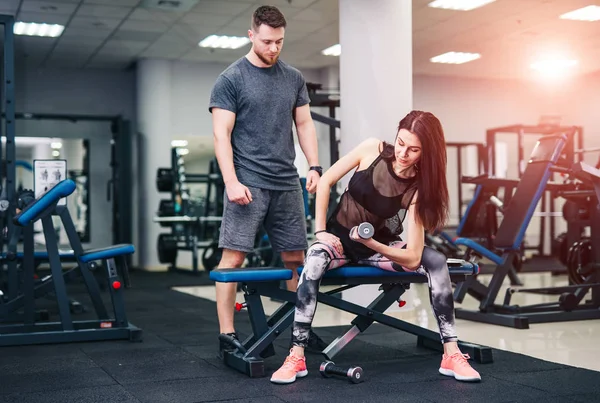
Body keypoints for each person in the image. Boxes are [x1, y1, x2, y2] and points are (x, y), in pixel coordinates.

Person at [270, 110, 482, 384]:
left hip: (376, 248)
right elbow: (325, 181)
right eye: (401, 142)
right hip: (338, 243)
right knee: (313, 259)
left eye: (413, 149)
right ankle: (296, 355)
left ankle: (451, 354)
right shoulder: (372, 149)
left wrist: (373, 244)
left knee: (437, 260)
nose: (403, 153)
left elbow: (413, 256)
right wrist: (320, 231)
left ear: (426, 153)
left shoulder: (417, 189)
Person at [208, 5, 326, 358]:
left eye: (279, 42)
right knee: (233, 258)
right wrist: (231, 181)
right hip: (247, 183)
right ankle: (227, 333)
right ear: (251, 35)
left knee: (296, 258)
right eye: (267, 41)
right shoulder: (231, 79)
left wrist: (315, 166)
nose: (274, 48)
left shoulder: (293, 77)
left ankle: (297, 330)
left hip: (287, 183)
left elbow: (304, 124)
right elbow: (220, 134)